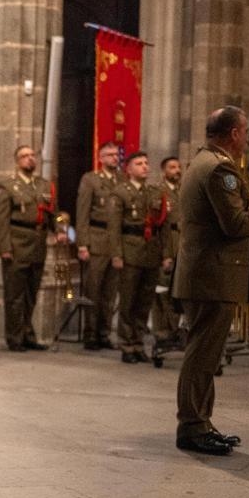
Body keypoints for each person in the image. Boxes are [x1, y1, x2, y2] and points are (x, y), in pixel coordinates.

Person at [174, 106, 249, 455]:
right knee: (202, 353)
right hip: (212, 274)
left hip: (206, 272)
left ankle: (200, 422)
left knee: (205, 351)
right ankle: (192, 426)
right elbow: (235, 225)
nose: (246, 139)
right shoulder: (220, 169)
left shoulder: (202, 161)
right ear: (233, 133)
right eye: (245, 132)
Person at [0, 145, 65, 352]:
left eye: (32, 156)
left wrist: (60, 230)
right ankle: (14, 337)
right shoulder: (7, 186)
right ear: (17, 161)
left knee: (31, 293)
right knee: (15, 295)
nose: (30, 159)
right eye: (25, 156)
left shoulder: (43, 186)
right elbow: (2, 220)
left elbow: (55, 213)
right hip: (16, 243)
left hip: (37, 243)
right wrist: (4, 247)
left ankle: (28, 333)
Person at [108, 152, 171, 363]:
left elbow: (163, 226)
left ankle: (138, 343)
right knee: (128, 301)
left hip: (151, 252)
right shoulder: (120, 193)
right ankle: (126, 345)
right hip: (130, 251)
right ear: (129, 169)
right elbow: (114, 228)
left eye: (146, 163)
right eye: (139, 163)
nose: (145, 166)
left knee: (145, 302)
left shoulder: (154, 193)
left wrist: (166, 254)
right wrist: (116, 254)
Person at [76, 141, 123, 350]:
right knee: (93, 289)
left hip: (116, 242)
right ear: (101, 158)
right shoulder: (91, 180)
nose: (115, 158)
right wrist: (82, 244)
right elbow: (83, 213)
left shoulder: (122, 180)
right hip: (96, 238)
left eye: (116, 154)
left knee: (110, 292)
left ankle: (104, 333)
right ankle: (91, 334)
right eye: (110, 155)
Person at [152, 156, 183, 342]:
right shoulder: (158, 192)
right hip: (167, 244)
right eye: (172, 167)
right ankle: (161, 332)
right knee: (162, 292)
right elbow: (158, 226)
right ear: (164, 171)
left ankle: (173, 329)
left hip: (181, 245)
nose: (177, 170)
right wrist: (165, 254)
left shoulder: (182, 192)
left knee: (177, 292)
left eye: (178, 167)